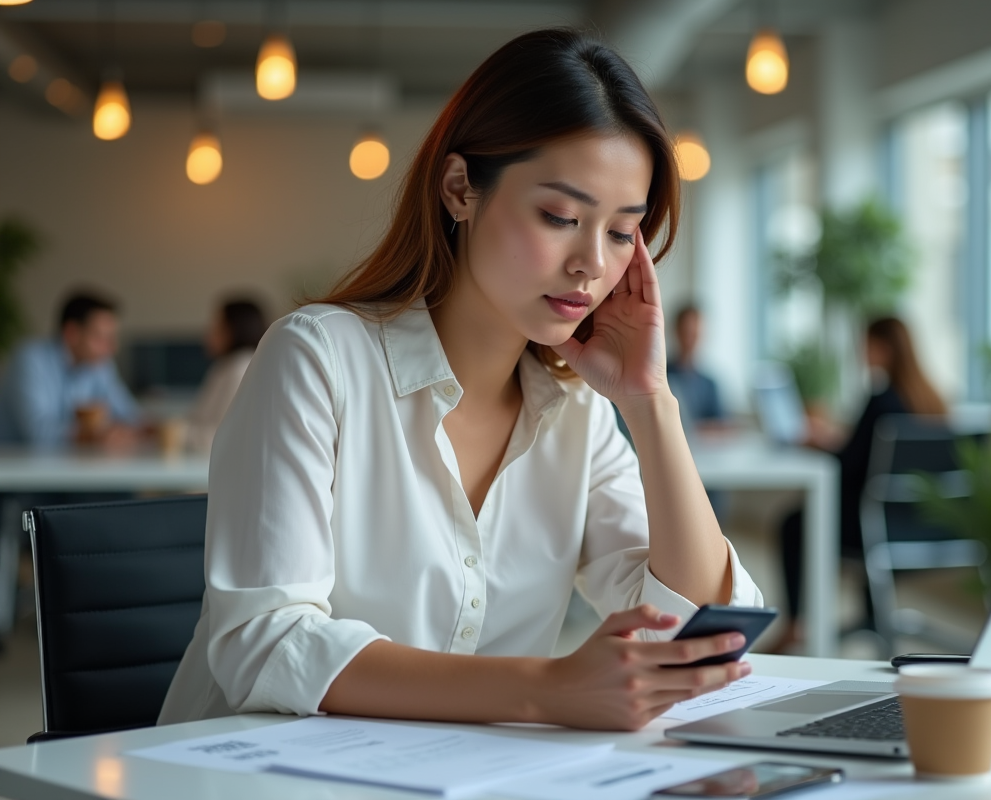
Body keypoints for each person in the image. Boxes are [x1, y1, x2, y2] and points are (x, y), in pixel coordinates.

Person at [159, 28, 763, 731]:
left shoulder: (577, 411)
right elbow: (265, 643)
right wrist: (546, 689)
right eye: (560, 216)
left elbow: (695, 639)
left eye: (622, 232)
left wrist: (651, 404)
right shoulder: (317, 361)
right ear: (459, 190)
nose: (591, 265)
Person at [775, 316, 945, 652]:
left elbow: (849, 465)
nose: (860, 351)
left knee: (794, 524)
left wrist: (821, 442)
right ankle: (871, 616)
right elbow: (874, 457)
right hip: (921, 526)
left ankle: (796, 623)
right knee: (866, 504)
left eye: (865, 343)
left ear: (882, 348)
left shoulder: (881, 400)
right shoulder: (932, 402)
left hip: (874, 528)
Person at [0, 291, 141, 448]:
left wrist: (140, 429)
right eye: (101, 338)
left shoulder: (100, 365)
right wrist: (94, 436)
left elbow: (130, 415)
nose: (112, 348)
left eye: (112, 337)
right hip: (16, 466)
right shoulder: (30, 359)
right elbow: (37, 433)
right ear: (72, 333)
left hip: (73, 465)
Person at [185, 298, 269, 455]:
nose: (209, 333)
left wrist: (172, 433)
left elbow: (219, 436)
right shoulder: (227, 366)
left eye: (217, 326)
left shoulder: (240, 368)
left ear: (235, 330)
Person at [666, 305, 726, 430]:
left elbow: (719, 424)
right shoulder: (661, 378)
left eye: (695, 334)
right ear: (676, 331)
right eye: (686, 332)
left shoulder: (709, 384)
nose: (690, 340)